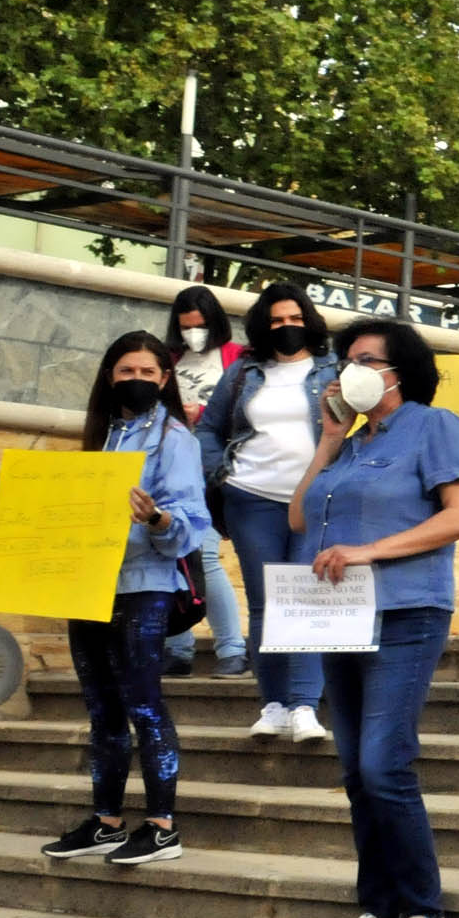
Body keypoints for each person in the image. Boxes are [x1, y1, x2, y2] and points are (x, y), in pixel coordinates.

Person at [291, 319, 459, 918]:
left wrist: (367, 552)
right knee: (353, 771)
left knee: (383, 764)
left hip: (406, 610)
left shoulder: (435, 426)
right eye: (345, 361)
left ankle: (427, 913)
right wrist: (326, 438)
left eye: (366, 360)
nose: (350, 371)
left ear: (400, 370)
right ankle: (379, 910)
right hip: (337, 617)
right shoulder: (347, 444)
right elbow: (297, 515)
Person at [37, 332, 214, 869]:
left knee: (143, 702)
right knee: (101, 707)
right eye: (125, 371)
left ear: (164, 380)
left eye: (146, 372)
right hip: (88, 583)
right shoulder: (101, 436)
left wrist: (158, 519)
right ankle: (106, 821)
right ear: (108, 376)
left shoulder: (174, 439)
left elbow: (191, 520)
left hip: (144, 583)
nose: (135, 380)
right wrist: (19, 529)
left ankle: (162, 826)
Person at [196, 284, 338, 742]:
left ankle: (304, 705)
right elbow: (210, 428)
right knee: (266, 603)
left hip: (316, 502)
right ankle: (273, 704)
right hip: (251, 498)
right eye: (277, 321)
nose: (287, 327)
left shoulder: (333, 370)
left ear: (309, 322)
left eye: (295, 319)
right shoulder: (243, 371)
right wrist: (220, 474)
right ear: (263, 325)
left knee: (304, 598)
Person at [165, 284, 249, 679]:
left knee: (206, 558)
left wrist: (203, 413)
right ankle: (177, 646)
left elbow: (250, 414)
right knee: (171, 558)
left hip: (214, 473)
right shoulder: (168, 359)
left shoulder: (238, 360)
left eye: (199, 326)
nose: (193, 334)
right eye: (185, 327)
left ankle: (232, 647)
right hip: (170, 469)